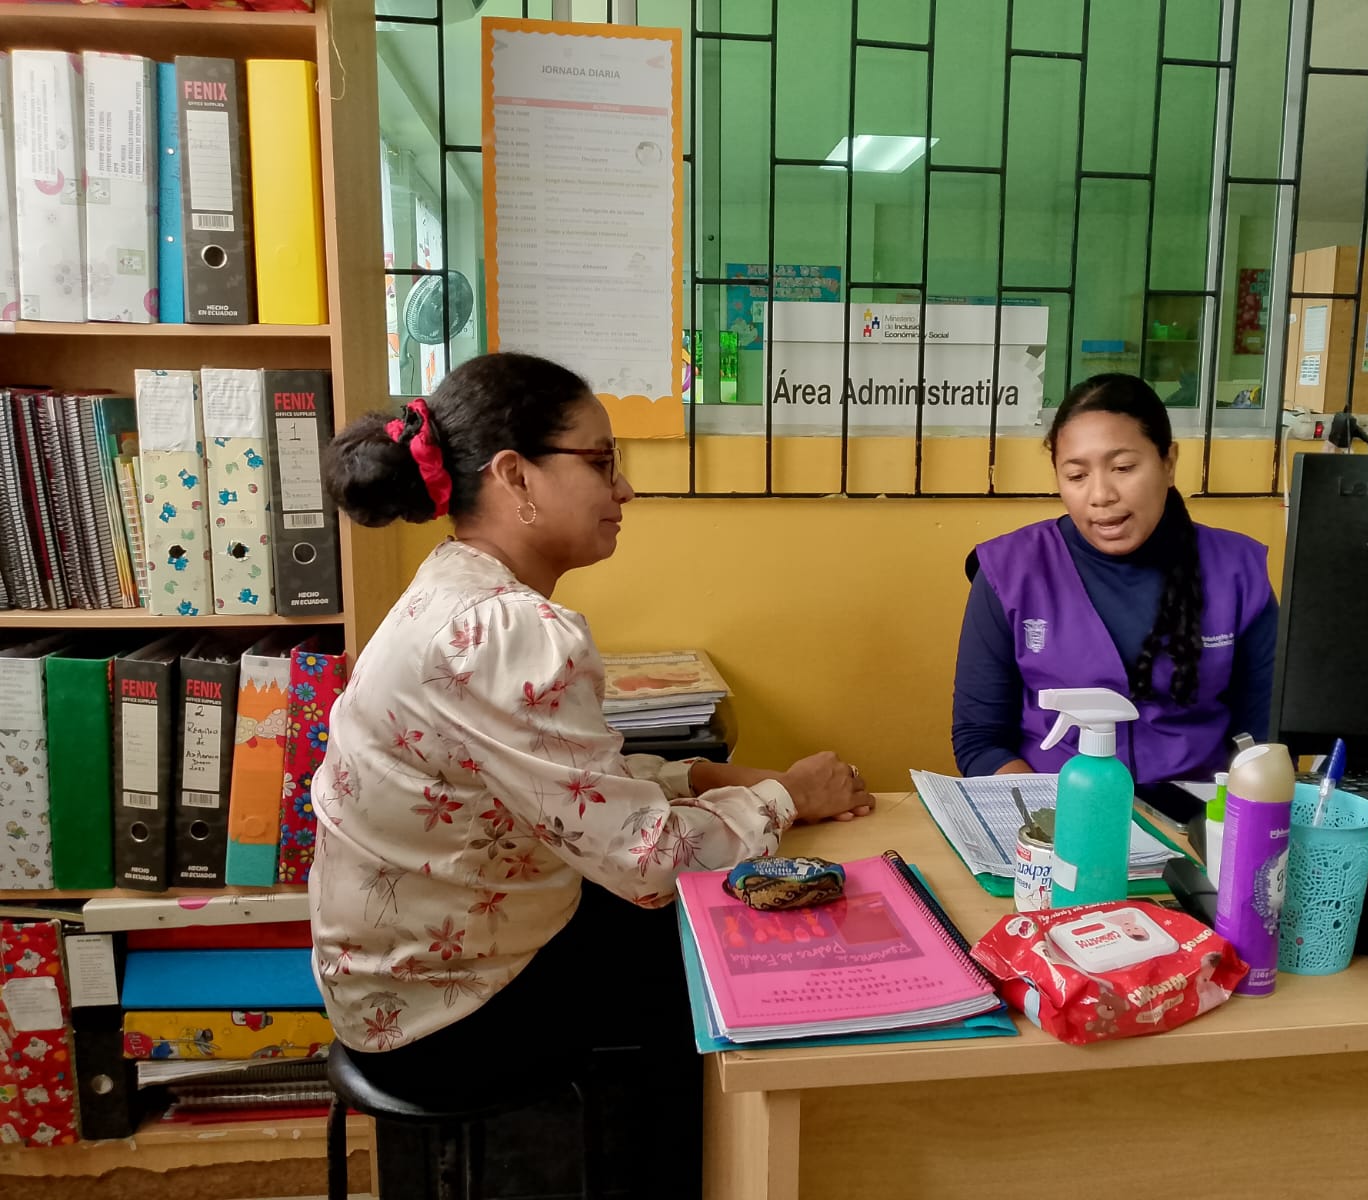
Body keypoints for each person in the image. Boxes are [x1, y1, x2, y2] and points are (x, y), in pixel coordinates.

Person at [308, 352, 873, 1192]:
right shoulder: (507, 629)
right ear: (515, 476)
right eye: (602, 462)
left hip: (392, 981)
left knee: (709, 924)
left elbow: (553, 784)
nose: (625, 488)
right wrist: (786, 797)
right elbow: (647, 863)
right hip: (444, 1017)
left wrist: (699, 777)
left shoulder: (453, 586)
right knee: (721, 949)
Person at [952, 372, 1277, 792]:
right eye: (1076, 476)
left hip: (1201, 816)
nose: (1101, 495)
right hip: (1057, 811)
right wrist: (1052, 817)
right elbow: (980, 740)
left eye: (1123, 467)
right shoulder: (1010, 571)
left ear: (1168, 462)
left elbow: (1265, 739)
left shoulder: (1237, 571)